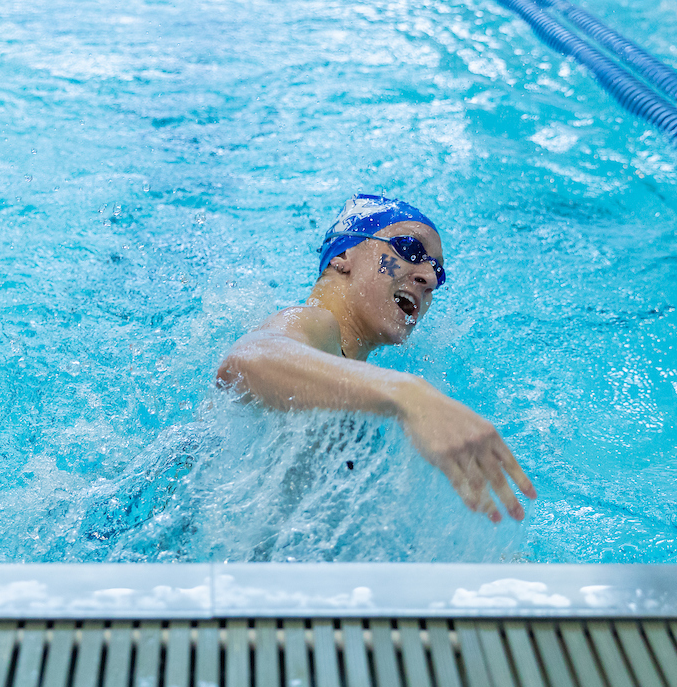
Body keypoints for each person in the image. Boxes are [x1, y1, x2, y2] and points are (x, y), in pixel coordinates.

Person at [215, 194, 537, 523]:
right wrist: (408, 393)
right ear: (343, 255)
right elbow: (245, 360)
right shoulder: (311, 324)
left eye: (438, 272)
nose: (430, 279)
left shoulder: (352, 390)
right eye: (411, 249)